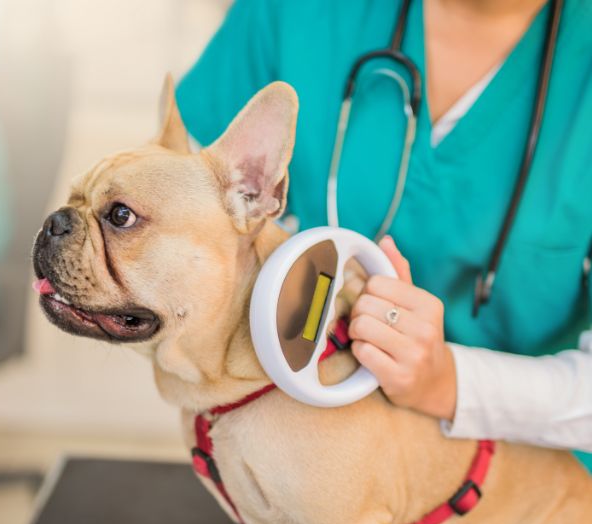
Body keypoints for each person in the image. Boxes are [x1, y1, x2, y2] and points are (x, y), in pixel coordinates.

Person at [175, 0, 592, 473]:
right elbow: (185, 216)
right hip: (303, 446)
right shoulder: (295, 13)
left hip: (530, 488)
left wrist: (447, 382)